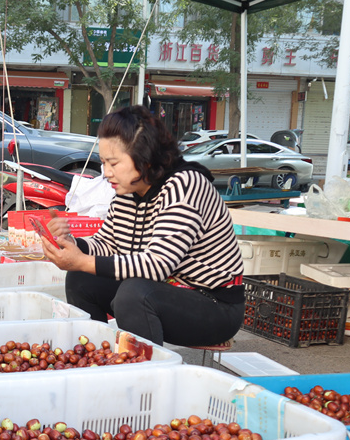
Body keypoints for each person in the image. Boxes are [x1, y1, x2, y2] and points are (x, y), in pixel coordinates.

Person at [39, 106, 245, 348]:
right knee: (81, 278)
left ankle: (145, 377)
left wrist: (81, 260)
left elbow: (158, 264)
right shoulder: (128, 191)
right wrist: (72, 245)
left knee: (133, 294)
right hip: (163, 289)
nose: (106, 173)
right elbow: (108, 243)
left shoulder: (185, 185)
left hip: (213, 305)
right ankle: (94, 356)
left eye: (113, 163)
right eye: (104, 163)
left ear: (144, 158)